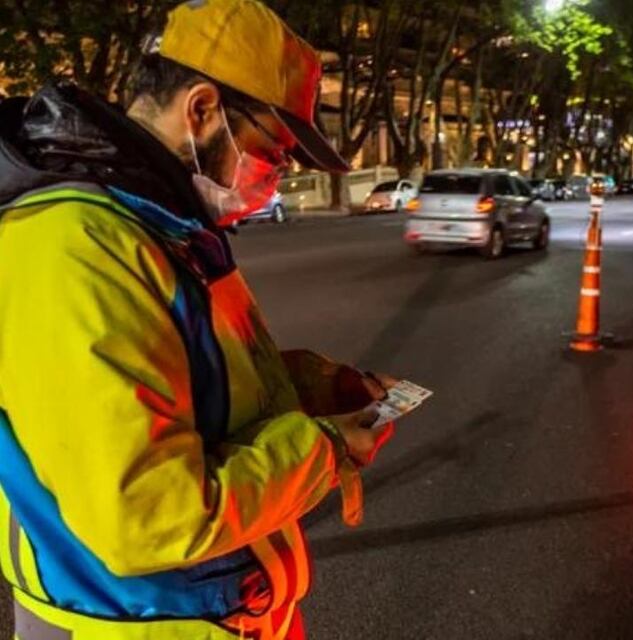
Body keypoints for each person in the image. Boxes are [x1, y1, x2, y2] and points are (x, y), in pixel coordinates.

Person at [0, 1, 395, 638]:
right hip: (134, 623)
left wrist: (315, 387)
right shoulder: (75, 246)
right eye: (275, 149)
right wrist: (322, 450)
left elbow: (191, 380)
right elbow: (151, 516)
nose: (278, 176)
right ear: (203, 109)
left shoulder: (159, 225)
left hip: (214, 612)